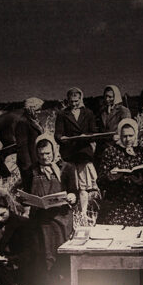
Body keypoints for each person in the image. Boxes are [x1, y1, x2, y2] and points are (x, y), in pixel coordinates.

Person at [20, 134, 77, 285]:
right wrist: (24, 199)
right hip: (41, 223)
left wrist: (72, 197)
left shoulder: (67, 168)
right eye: (41, 154)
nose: (45, 157)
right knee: (46, 261)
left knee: (63, 260)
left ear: (54, 151)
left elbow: (74, 192)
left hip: (61, 220)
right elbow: (26, 193)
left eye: (48, 153)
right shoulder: (31, 171)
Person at [96, 118, 143, 226]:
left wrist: (140, 181)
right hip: (115, 207)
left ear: (136, 135)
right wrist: (110, 177)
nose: (128, 139)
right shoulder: (110, 152)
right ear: (119, 135)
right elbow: (100, 181)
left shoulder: (142, 153)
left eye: (131, 136)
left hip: (138, 208)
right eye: (124, 136)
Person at [54, 87, 98, 219]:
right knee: (72, 185)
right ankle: (71, 212)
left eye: (76, 101)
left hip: (83, 153)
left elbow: (93, 132)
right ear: (67, 100)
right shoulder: (62, 114)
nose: (74, 104)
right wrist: (62, 139)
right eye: (71, 101)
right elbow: (57, 134)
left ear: (80, 99)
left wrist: (86, 136)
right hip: (69, 153)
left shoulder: (88, 113)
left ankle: (83, 213)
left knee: (84, 186)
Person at [94, 85, 131, 167]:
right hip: (102, 147)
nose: (107, 99)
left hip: (116, 145)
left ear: (116, 97)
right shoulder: (101, 111)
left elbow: (127, 128)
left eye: (110, 97)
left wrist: (119, 137)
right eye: (105, 96)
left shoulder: (123, 111)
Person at [11, 97, 45, 184]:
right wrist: (29, 167)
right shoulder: (22, 122)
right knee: (30, 185)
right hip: (28, 164)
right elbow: (22, 148)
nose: (39, 112)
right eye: (37, 110)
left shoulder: (34, 121)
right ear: (30, 109)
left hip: (36, 160)